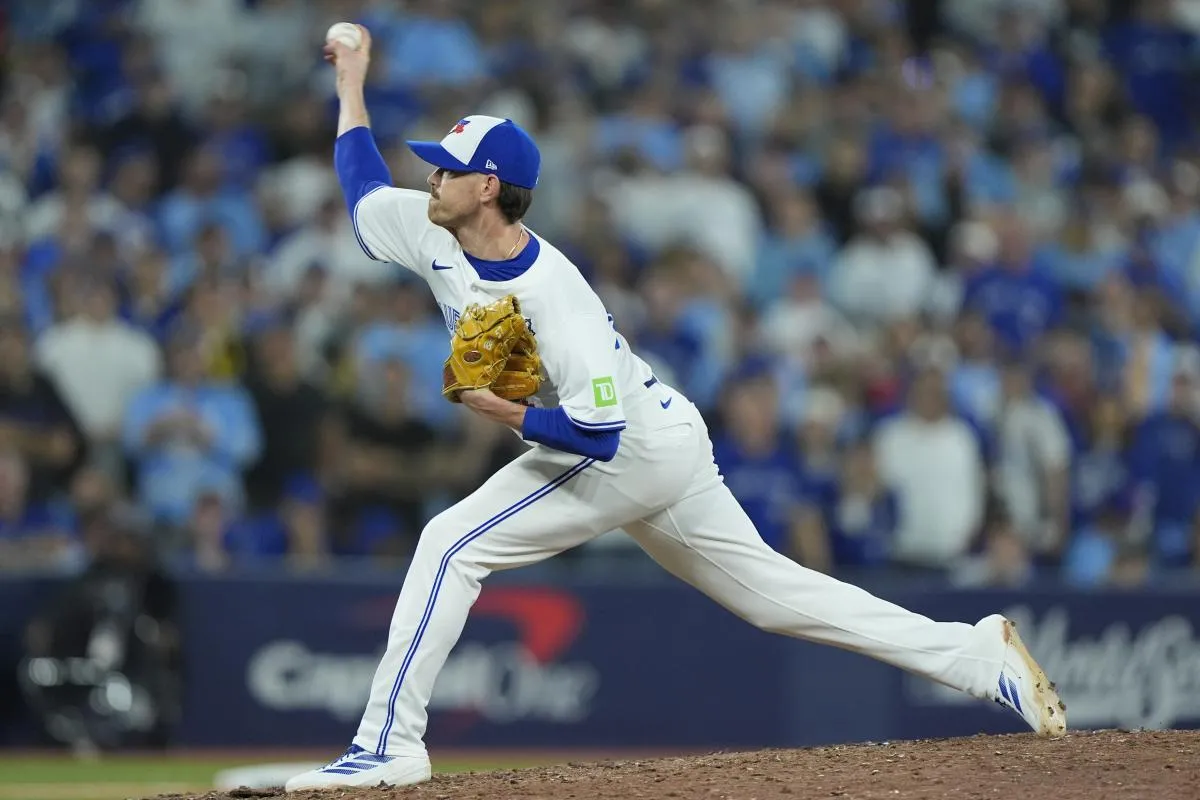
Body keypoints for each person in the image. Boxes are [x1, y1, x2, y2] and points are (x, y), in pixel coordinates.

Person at [286, 25, 1068, 792]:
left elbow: (597, 434)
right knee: (778, 600)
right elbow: (359, 183)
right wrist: (351, 78)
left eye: (447, 169)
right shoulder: (433, 233)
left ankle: (389, 746)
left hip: (628, 449)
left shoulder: (554, 295)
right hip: (659, 437)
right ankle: (975, 656)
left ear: (487, 187)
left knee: (452, 543)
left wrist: (506, 412)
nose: (430, 177)